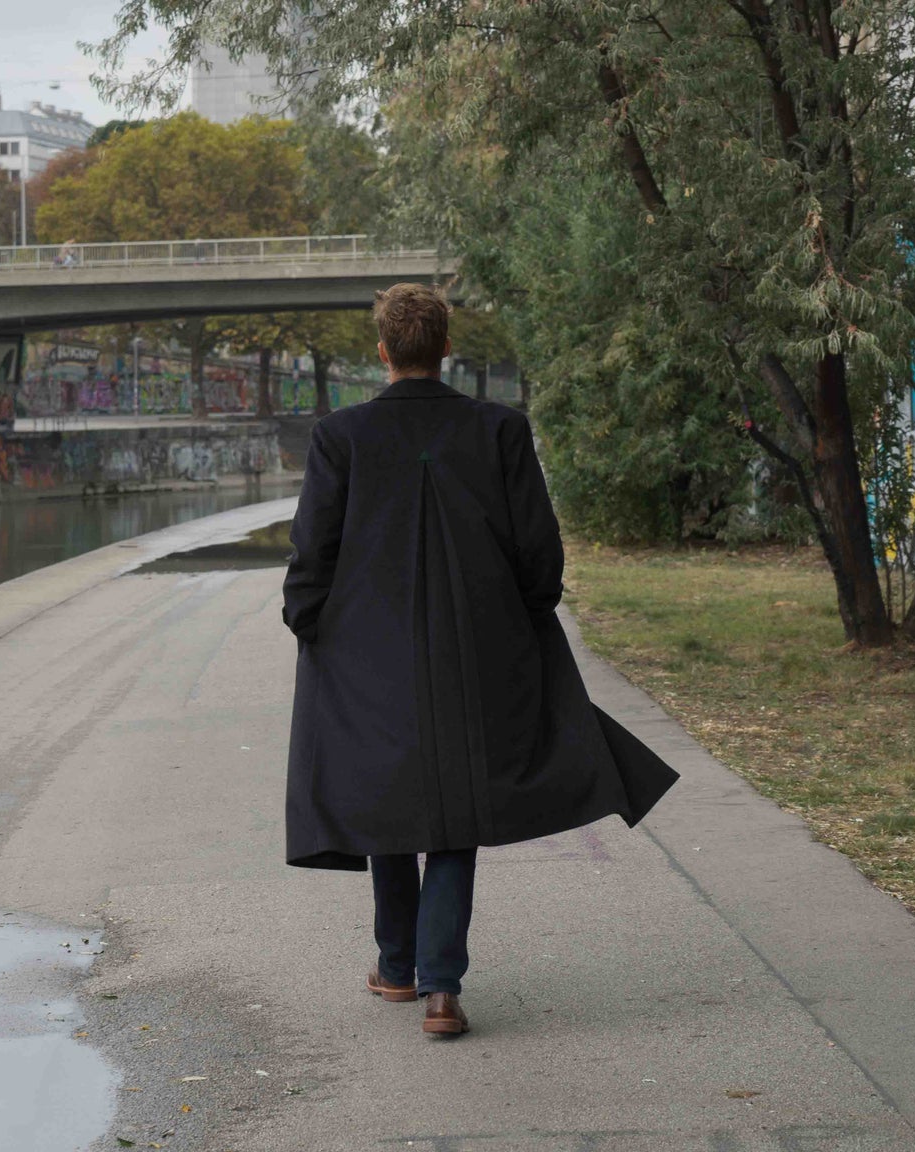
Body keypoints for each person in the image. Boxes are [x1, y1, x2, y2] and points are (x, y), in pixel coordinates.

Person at [282, 283, 679, 1037]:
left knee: (389, 796)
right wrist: (526, 618)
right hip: (477, 645)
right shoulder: (499, 429)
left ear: (383, 352)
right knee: (454, 805)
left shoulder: (340, 437)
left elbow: (314, 554)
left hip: (368, 651)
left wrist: (307, 623)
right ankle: (439, 987)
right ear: (445, 350)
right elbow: (539, 551)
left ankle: (397, 966)